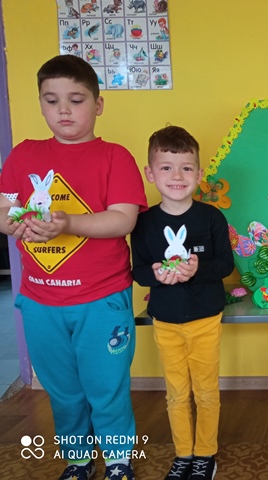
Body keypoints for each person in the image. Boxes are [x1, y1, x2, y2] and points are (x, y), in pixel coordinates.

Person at [0, 55, 147, 480]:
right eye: (51, 100)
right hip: (40, 302)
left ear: (98, 105)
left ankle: (118, 460)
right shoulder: (23, 155)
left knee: (107, 389)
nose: (63, 110)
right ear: (41, 104)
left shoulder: (115, 157)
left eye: (76, 100)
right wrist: (24, 222)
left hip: (102, 300)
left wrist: (66, 224)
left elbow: (122, 219)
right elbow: (4, 212)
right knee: (63, 392)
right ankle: (78, 460)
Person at [130, 126, 235, 480]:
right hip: (166, 321)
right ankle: (183, 454)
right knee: (176, 394)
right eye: (166, 167)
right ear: (150, 173)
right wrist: (155, 274)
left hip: (206, 319)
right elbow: (138, 271)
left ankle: (205, 454)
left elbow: (226, 264)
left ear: (199, 174)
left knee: (205, 391)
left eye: (186, 168)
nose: (177, 176)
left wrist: (197, 269)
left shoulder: (211, 217)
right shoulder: (143, 223)